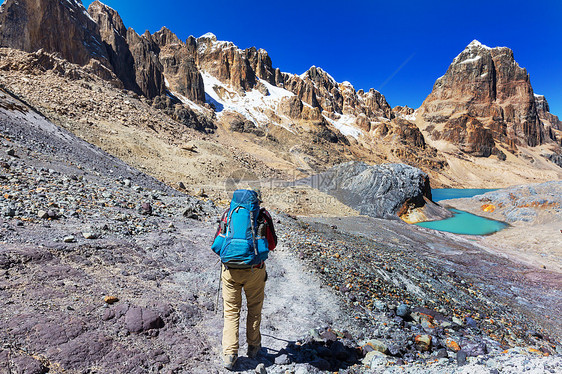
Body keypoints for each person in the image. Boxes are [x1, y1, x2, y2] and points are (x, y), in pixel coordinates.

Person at [212, 189, 277, 370]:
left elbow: (218, 241)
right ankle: (253, 347)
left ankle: (229, 355)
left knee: (231, 312)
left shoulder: (229, 214)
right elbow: (272, 245)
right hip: (254, 271)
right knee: (254, 309)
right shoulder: (262, 217)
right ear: (256, 203)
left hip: (230, 271)